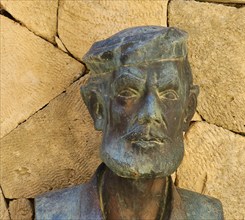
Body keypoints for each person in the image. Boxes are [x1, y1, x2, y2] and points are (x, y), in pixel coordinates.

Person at [35, 26, 223, 220]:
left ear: (187, 110)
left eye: (168, 94)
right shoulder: (54, 212)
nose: (150, 113)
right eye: (128, 93)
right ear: (98, 108)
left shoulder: (207, 214)